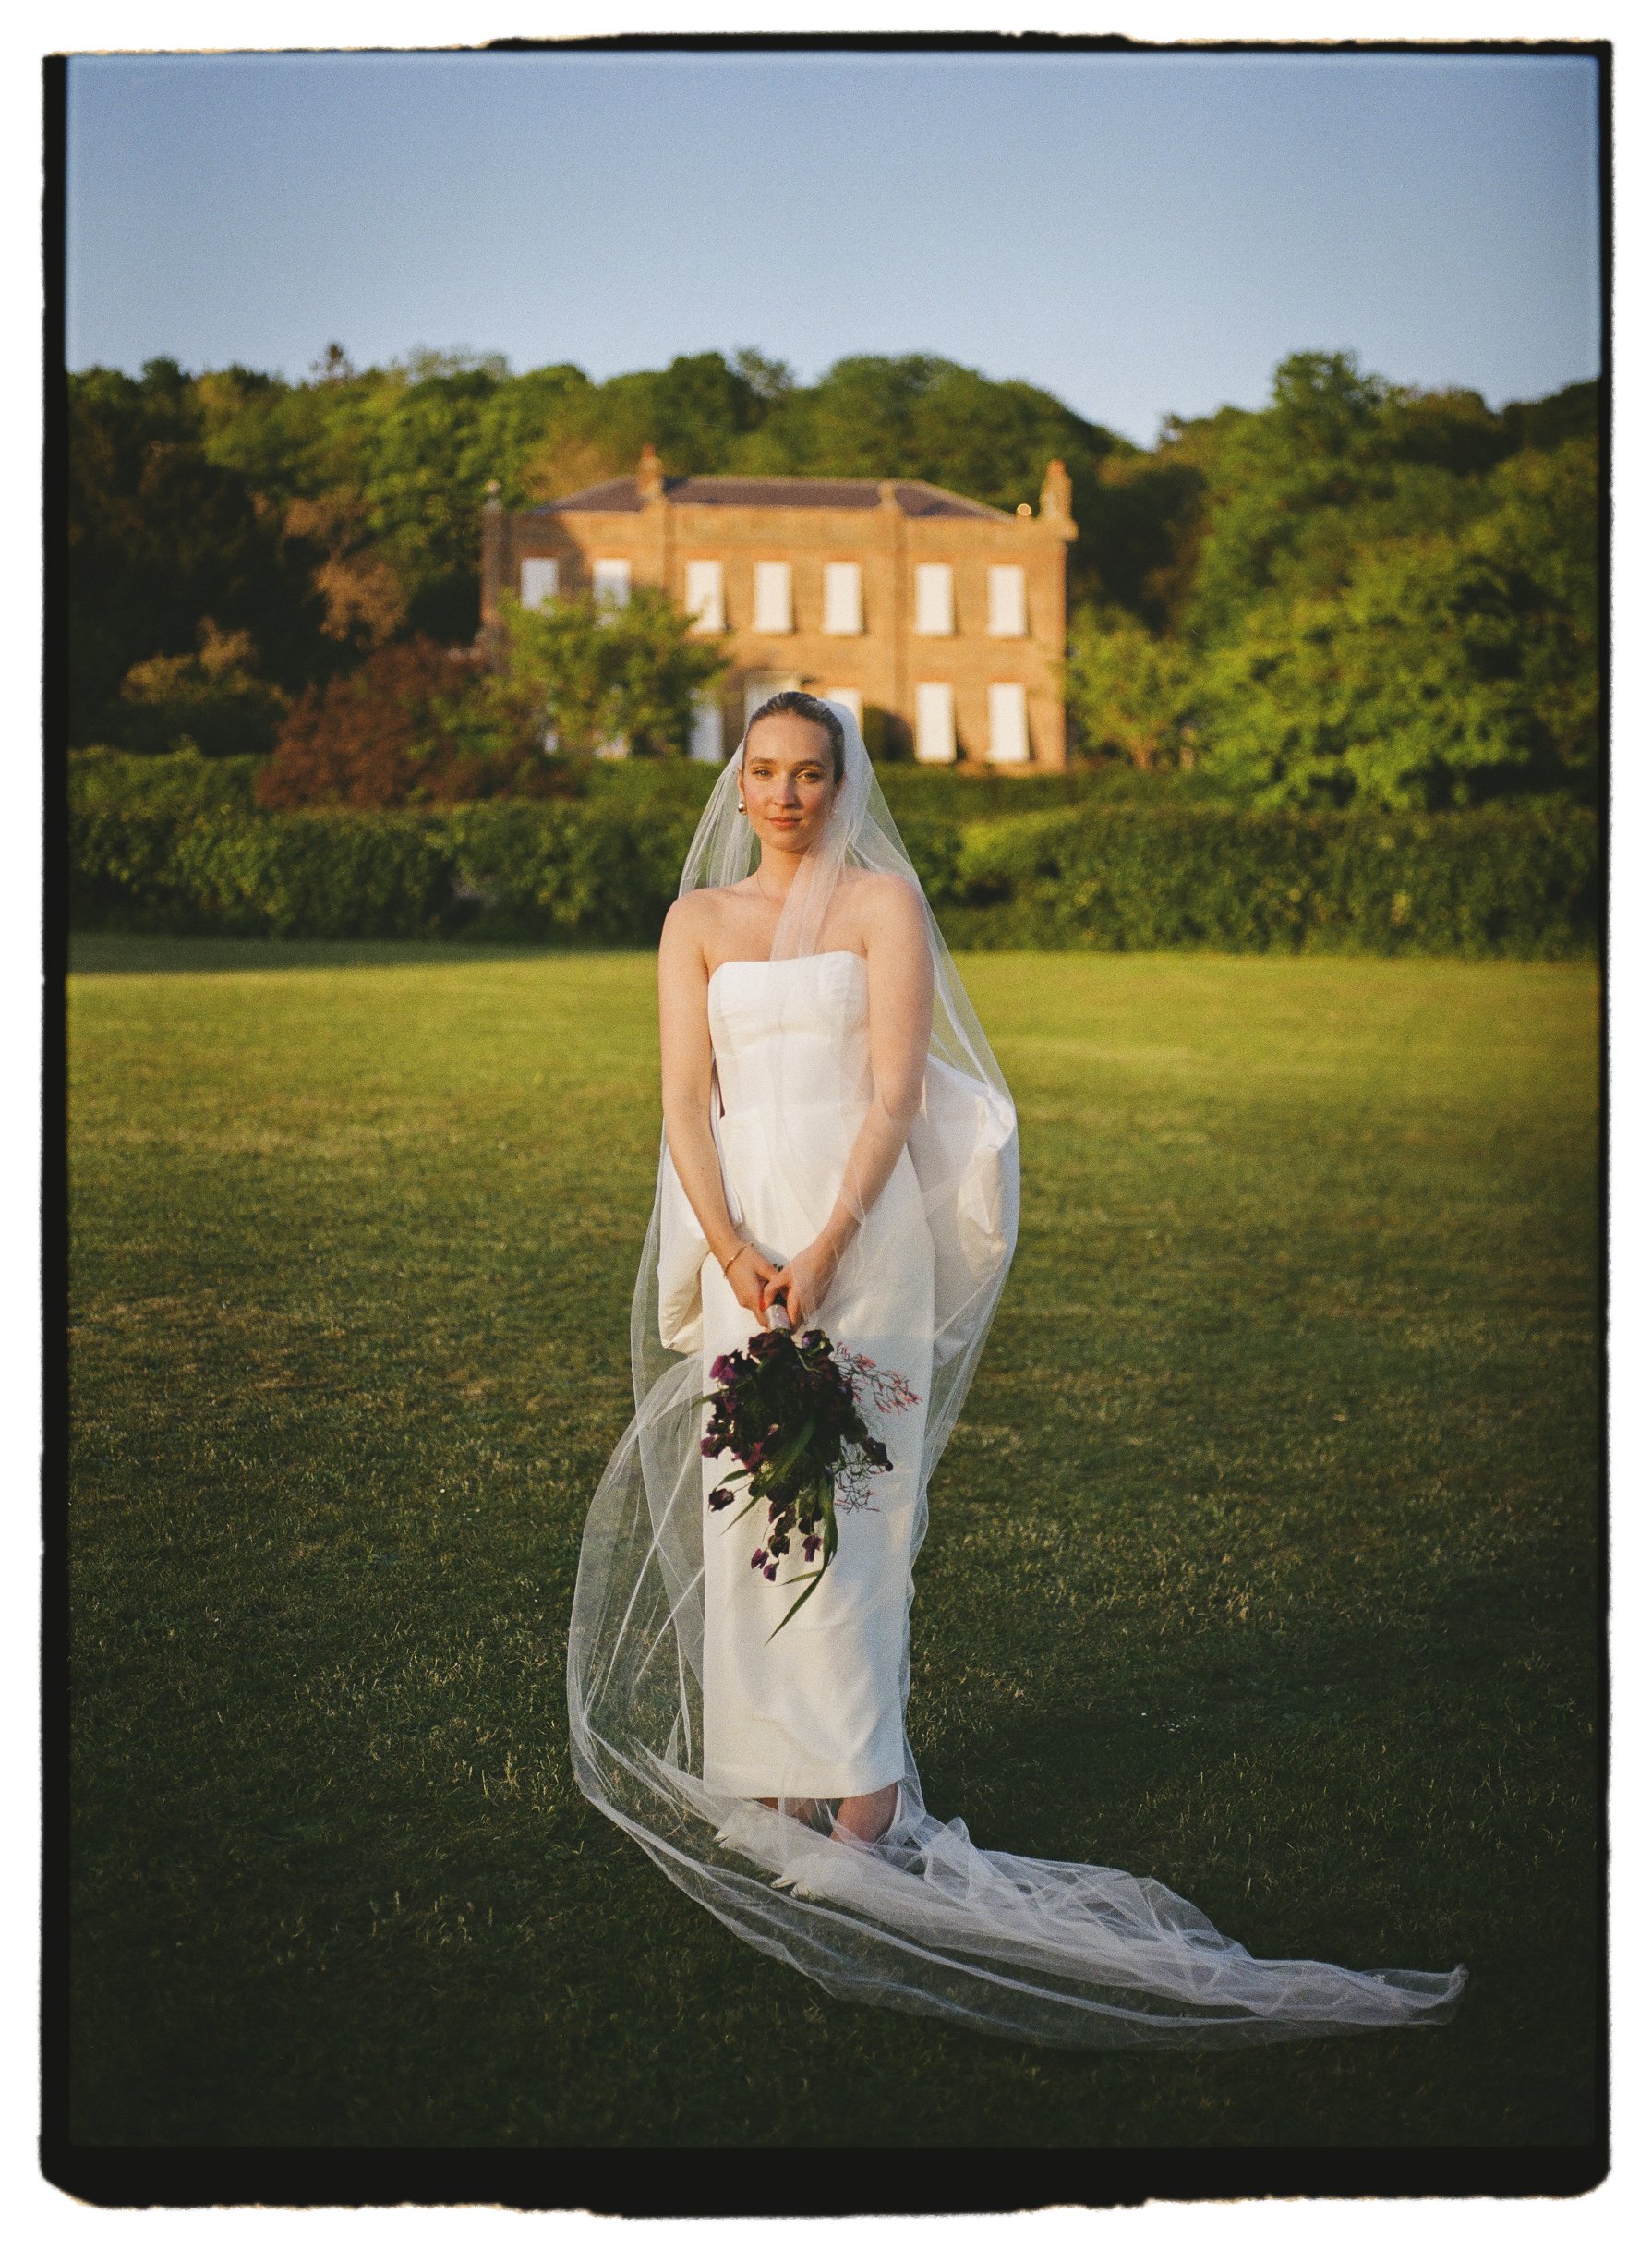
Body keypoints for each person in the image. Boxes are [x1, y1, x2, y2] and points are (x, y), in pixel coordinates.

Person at [567, 692, 1466, 2049]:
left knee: (854, 1515)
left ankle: (859, 1798)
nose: (785, 796)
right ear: (735, 782)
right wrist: (734, 1244)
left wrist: (822, 1246)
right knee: (751, 1507)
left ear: (842, 781)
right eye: (763, 773)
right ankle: (766, 1778)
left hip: (858, 1242)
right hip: (740, 1234)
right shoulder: (695, 925)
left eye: (809, 774)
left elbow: (892, 1095)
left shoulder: (881, 907)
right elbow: (683, 1099)